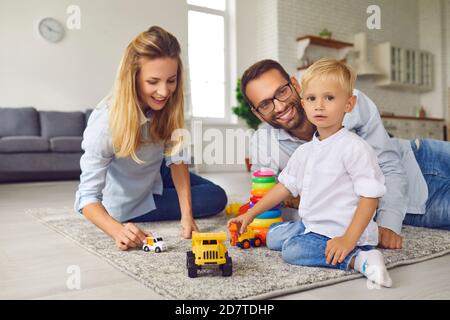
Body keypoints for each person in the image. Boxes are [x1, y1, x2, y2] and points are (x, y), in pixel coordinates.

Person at [242, 59, 450, 250]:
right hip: (418, 202)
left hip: (420, 158)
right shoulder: (264, 143)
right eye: (265, 104)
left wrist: (388, 224)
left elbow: (388, 165)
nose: (279, 106)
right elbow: (272, 199)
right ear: (257, 113)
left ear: (295, 85)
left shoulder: (348, 100)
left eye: (281, 92)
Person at [229, 58, 392, 287]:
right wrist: (250, 214)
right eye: (312, 99)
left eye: (329, 98)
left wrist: (348, 239)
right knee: (274, 236)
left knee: (293, 251)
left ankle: (358, 259)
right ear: (304, 103)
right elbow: (283, 188)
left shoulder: (355, 148)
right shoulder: (306, 151)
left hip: (344, 229)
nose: (319, 106)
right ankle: (305, 233)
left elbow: (370, 197)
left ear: (349, 104)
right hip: (316, 223)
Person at [74, 26, 227, 251]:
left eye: (171, 80)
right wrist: (117, 230)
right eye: (153, 81)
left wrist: (187, 215)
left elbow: (177, 157)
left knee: (214, 192)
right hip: (132, 201)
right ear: (133, 78)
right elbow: (86, 196)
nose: (164, 92)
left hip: (155, 171)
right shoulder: (105, 123)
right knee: (215, 198)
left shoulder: (167, 106)